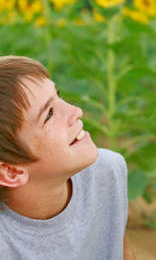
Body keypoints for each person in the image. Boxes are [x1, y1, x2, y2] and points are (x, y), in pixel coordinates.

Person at [0, 55, 135, 259]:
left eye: (58, 96)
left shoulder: (107, 171)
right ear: (11, 171)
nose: (76, 111)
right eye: (49, 114)